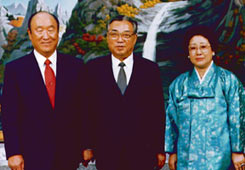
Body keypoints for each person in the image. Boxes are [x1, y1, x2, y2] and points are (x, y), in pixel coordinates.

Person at [2, 11, 87, 170]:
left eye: (50, 29)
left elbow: (83, 109)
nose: (46, 36)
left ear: (58, 31)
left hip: (68, 154)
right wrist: (13, 152)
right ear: (30, 34)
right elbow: (9, 114)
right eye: (39, 30)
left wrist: (86, 145)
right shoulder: (15, 70)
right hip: (31, 155)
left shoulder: (75, 66)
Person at [85, 15, 166, 170]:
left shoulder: (150, 70)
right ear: (107, 37)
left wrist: (159, 148)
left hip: (143, 152)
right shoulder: (93, 68)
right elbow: (86, 110)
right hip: (106, 152)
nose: (120, 40)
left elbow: (157, 112)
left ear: (134, 39)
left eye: (126, 35)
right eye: (114, 34)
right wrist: (87, 145)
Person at [165, 25, 245, 170]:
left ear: (213, 50)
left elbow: (237, 118)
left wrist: (238, 151)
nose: (198, 52)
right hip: (186, 157)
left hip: (221, 157)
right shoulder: (178, 84)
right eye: (193, 48)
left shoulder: (228, 80)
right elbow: (171, 122)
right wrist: (172, 152)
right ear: (188, 53)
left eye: (203, 47)